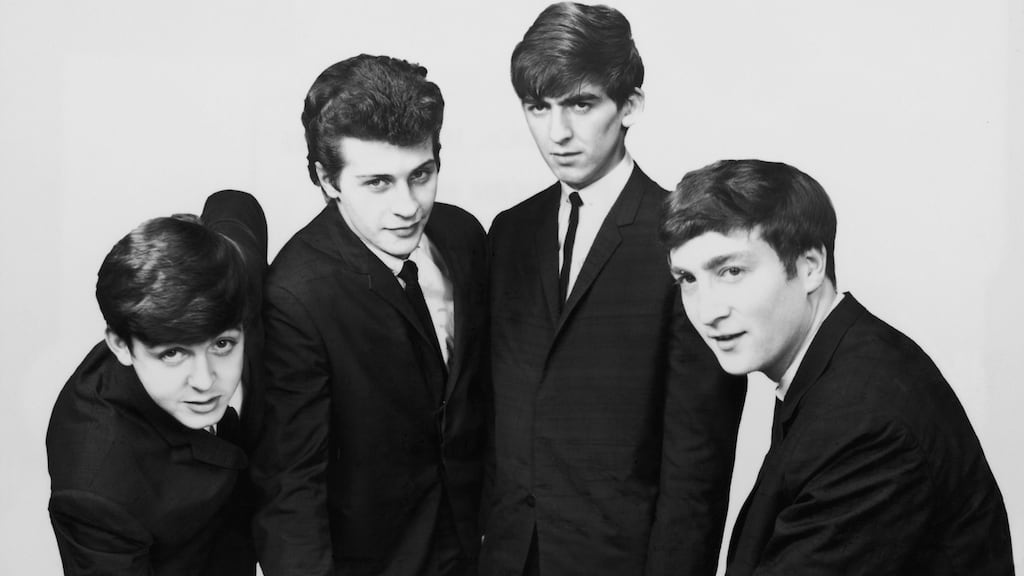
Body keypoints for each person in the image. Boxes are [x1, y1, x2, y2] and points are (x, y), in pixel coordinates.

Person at [483, 4, 747, 575]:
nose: (557, 133)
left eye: (581, 104)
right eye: (538, 107)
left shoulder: (686, 242)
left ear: (630, 106)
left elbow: (697, 467)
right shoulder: (509, 232)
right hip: (507, 557)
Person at [661, 159, 1015, 575]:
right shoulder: (838, 363)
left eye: (731, 271)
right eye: (688, 279)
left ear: (810, 266)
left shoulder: (866, 422)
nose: (707, 311)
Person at [251, 54, 488, 576]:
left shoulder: (463, 236)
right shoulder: (294, 295)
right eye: (378, 182)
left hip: (477, 550)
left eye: (421, 174)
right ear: (327, 179)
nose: (408, 206)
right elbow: (290, 485)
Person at [46, 189, 267, 575]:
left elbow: (235, 203)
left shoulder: (234, 277)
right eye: (173, 353)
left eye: (222, 344)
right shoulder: (96, 490)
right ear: (121, 345)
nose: (205, 382)